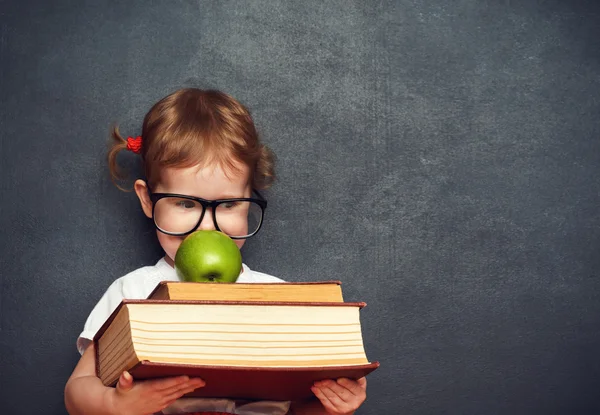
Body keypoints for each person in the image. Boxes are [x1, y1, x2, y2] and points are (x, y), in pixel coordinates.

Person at [64, 88, 367, 415]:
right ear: (148, 200)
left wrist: (332, 406)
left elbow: (297, 408)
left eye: (228, 204)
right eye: (184, 203)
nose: (206, 226)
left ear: (250, 199)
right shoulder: (132, 292)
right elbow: (77, 390)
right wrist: (113, 403)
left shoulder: (283, 302)